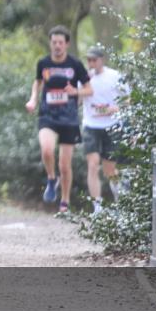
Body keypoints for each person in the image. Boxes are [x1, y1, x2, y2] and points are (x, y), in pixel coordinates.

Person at [25, 25, 92, 212]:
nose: (57, 46)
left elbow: (89, 89)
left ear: (67, 44)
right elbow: (37, 83)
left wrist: (75, 91)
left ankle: (65, 201)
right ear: (50, 43)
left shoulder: (75, 64)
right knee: (46, 150)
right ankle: (51, 179)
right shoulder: (43, 63)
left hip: (69, 118)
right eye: (54, 42)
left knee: (65, 164)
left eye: (60, 43)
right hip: (48, 115)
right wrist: (33, 100)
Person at [81, 45, 127, 214]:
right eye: (89, 60)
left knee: (109, 170)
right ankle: (97, 207)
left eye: (94, 60)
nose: (91, 63)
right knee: (92, 165)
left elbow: (128, 100)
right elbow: (78, 97)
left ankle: (121, 203)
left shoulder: (115, 76)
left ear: (102, 60)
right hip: (91, 125)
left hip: (111, 125)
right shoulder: (84, 78)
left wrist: (111, 109)